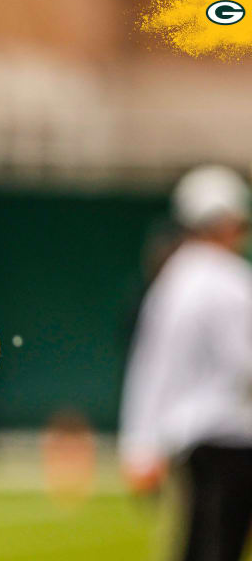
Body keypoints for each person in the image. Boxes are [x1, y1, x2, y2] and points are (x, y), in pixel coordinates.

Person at [119, 165, 252, 561]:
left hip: (190, 440)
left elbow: (151, 366)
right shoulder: (228, 280)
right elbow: (244, 363)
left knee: (197, 541)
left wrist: (141, 443)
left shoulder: (174, 278)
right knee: (218, 545)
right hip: (229, 435)